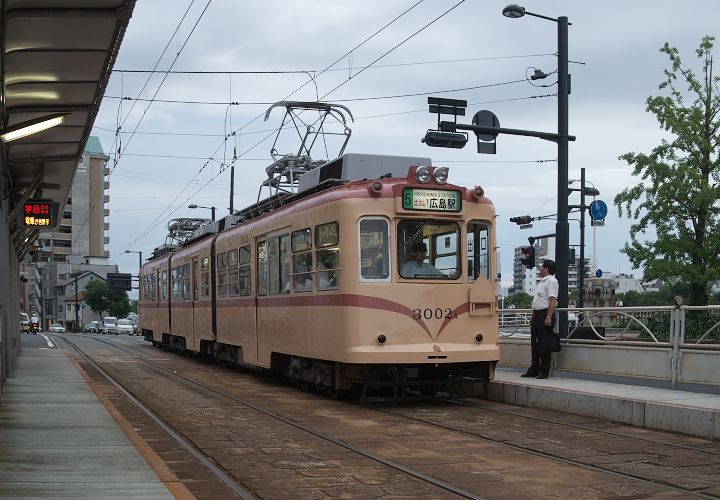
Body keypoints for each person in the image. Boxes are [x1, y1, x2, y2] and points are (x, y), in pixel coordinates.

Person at [521, 259, 559, 379]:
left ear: (546, 269)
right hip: (537, 314)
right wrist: (533, 316)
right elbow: (536, 301)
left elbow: (552, 300)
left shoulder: (551, 281)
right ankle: (534, 369)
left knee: (544, 343)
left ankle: (544, 371)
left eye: (541, 267)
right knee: (535, 343)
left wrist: (548, 316)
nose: (540, 269)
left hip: (544, 314)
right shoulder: (541, 282)